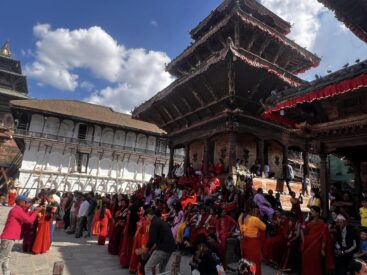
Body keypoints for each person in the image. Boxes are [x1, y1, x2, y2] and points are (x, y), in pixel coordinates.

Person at [0, 195, 41, 275]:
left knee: (6, 257)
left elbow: (27, 213)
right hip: (9, 236)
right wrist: (36, 212)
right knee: (2, 257)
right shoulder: (17, 210)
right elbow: (29, 220)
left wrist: (34, 209)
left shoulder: (19, 209)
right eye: (26, 202)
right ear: (21, 202)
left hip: (10, 236)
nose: (27, 203)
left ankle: (6, 272)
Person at [301, 206, 334, 275]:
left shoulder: (322, 224)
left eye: (313, 211)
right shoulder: (309, 222)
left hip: (316, 246)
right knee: (307, 261)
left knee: (315, 263)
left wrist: (322, 249)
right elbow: (303, 231)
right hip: (307, 244)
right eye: (311, 211)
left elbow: (324, 237)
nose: (311, 212)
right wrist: (304, 241)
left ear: (318, 213)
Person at [143, 208, 176, 275]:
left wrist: (146, 249)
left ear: (148, 215)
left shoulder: (154, 223)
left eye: (146, 218)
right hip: (170, 248)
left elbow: (152, 239)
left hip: (163, 248)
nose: (147, 220)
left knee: (148, 267)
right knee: (161, 269)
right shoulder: (160, 221)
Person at [238, 206, 266, 275]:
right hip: (253, 244)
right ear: (252, 211)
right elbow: (264, 227)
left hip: (246, 243)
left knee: (247, 262)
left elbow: (242, 231)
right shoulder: (254, 219)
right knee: (255, 262)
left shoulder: (243, 219)